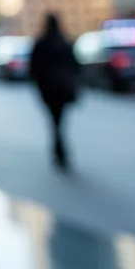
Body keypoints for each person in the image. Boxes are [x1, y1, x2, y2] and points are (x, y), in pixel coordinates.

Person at [29, 13, 81, 172]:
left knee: (55, 121)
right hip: (63, 89)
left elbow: (34, 69)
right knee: (59, 121)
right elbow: (76, 67)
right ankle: (60, 151)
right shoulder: (64, 42)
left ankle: (59, 151)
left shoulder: (41, 44)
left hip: (49, 90)